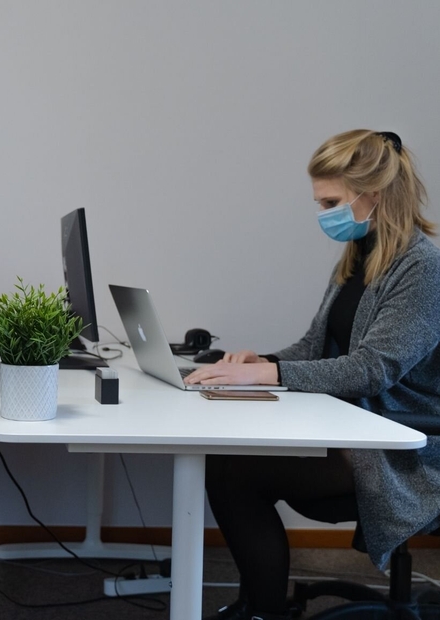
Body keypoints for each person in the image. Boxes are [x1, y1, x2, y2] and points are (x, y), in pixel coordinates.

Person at [183, 129, 440, 619]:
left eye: (332, 202)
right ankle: (258, 607)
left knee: (235, 472)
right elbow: (314, 346)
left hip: (408, 446)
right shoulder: (360, 255)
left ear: (375, 195)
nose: (324, 215)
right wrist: (256, 364)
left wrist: (268, 376)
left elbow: (371, 370)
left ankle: (263, 612)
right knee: (234, 459)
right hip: (358, 427)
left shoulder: (422, 269)